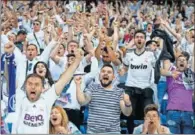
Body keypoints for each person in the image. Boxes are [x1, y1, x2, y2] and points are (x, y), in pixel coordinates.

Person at [11, 49, 83, 134]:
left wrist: (77, 61)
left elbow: (63, 80)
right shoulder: (19, 97)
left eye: (37, 84)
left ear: (42, 88)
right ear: (25, 87)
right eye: (30, 84)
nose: (33, 87)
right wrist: (8, 57)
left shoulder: (47, 99)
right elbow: (8, 80)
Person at [119, 29, 157, 133]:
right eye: (137, 37)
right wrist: (122, 71)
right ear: (134, 40)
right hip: (131, 86)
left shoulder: (151, 54)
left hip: (146, 87)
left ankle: (148, 132)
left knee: (150, 113)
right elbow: (125, 67)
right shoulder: (129, 53)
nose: (139, 39)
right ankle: (131, 132)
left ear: (145, 40)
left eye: (141, 37)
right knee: (129, 113)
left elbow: (157, 68)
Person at [75, 64, 132, 133]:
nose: (105, 73)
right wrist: (78, 85)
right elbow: (82, 101)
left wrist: (128, 103)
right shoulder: (92, 87)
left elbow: (127, 113)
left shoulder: (119, 92)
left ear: (113, 77)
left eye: (109, 72)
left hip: (112, 132)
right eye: (103, 71)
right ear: (99, 76)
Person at [55, 52, 98, 129]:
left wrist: (94, 58)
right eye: (68, 60)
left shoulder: (82, 76)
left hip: (73, 111)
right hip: (59, 111)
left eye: (72, 60)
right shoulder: (62, 76)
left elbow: (93, 73)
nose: (70, 61)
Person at [160, 52, 195, 134]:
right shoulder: (172, 71)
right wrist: (171, 74)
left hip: (188, 112)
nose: (182, 61)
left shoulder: (191, 74)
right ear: (176, 63)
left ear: (187, 63)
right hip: (173, 111)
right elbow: (161, 71)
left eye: (184, 60)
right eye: (179, 60)